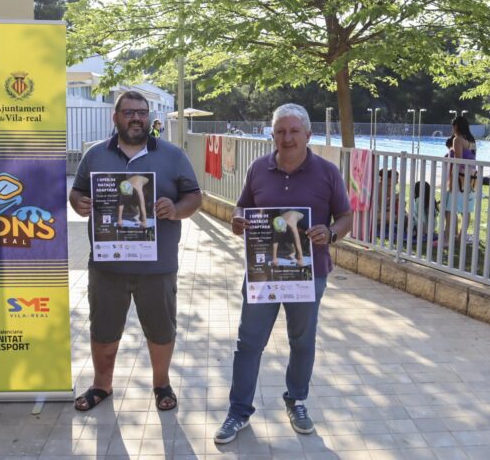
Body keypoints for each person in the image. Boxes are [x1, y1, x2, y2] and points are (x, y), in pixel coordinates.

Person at [214, 103, 352, 444]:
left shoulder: (328, 172)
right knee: (249, 343)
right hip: (263, 272)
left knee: (302, 342)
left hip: (309, 274)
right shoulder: (258, 168)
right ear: (272, 134)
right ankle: (238, 411)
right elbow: (243, 206)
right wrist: (237, 220)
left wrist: (331, 233)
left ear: (308, 134)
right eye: (280, 131)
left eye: (293, 131)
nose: (287, 138)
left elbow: (346, 217)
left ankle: (297, 400)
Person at [69, 90, 202, 412]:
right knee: (103, 328)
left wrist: (176, 208)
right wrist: (79, 203)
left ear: (149, 116)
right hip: (107, 263)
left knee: (160, 329)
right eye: (128, 112)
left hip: (157, 265)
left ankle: (161, 384)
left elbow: (194, 197)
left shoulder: (172, 155)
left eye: (141, 112)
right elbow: (77, 192)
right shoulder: (95, 155)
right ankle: (102, 385)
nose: (136, 118)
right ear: (115, 117)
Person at [442, 116, 477, 246]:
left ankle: (448, 238)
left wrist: (451, 180)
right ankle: (461, 237)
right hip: (472, 178)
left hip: (460, 178)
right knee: (465, 210)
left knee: (449, 209)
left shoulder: (458, 139)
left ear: (456, 126)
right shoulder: (472, 140)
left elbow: (458, 162)